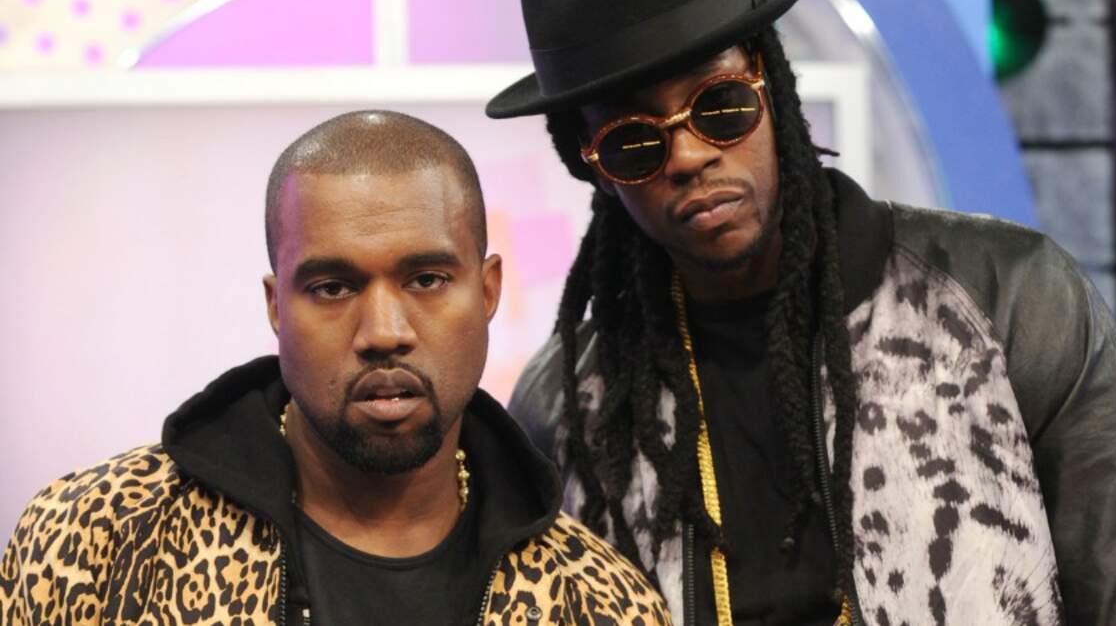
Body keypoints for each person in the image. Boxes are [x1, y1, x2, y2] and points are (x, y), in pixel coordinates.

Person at [486, 0, 1116, 625]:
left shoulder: (1008, 296)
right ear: (591, 166)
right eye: (634, 143)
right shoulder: (570, 409)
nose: (690, 155)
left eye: (720, 105)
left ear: (771, 82)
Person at [0, 111, 671, 625]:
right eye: (332, 287)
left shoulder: (597, 602)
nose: (384, 333)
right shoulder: (97, 539)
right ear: (276, 307)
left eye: (427, 279)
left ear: (488, 291)